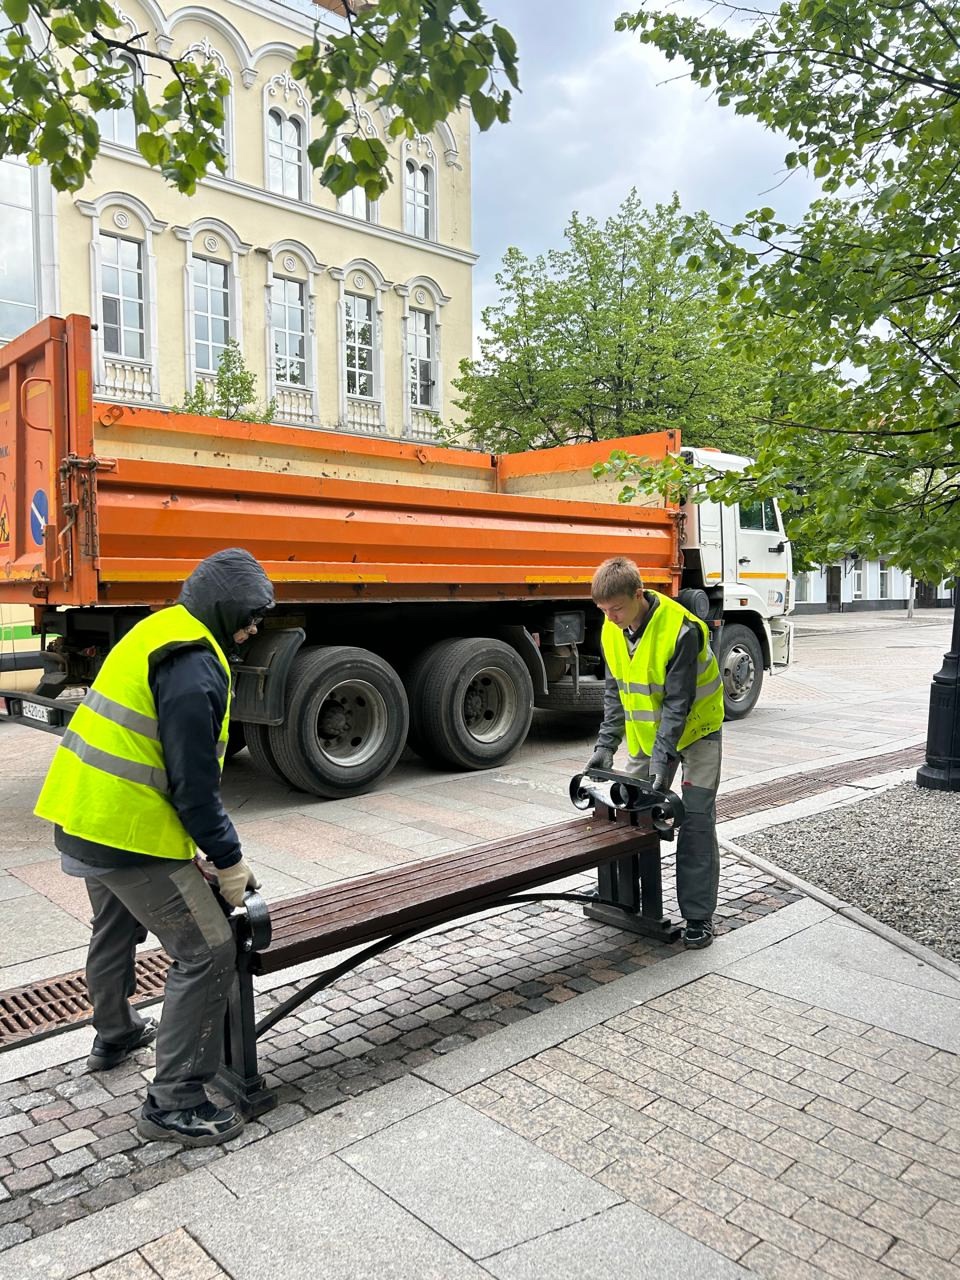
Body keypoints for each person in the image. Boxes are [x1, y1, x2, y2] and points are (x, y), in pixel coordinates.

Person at [35, 548, 274, 1147]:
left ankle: (115, 1033)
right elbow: (192, 787)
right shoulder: (195, 663)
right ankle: (173, 1102)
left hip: (85, 814)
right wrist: (228, 861)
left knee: (115, 926)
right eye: (249, 616)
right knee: (210, 949)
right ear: (223, 608)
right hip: (125, 834)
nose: (252, 629)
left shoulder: (160, 629)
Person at [586, 556, 724, 949]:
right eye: (603, 610)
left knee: (695, 818)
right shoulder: (612, 630)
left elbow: (677, 706)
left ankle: (698, 917)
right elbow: (614, 694)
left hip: (698, 732)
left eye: (616, 608)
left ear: (638, 594)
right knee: (630, 807)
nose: (610, 618)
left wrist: (663, 766)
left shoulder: (681, 630)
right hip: (650, 737)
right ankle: (627, 901)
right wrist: (605, 747)